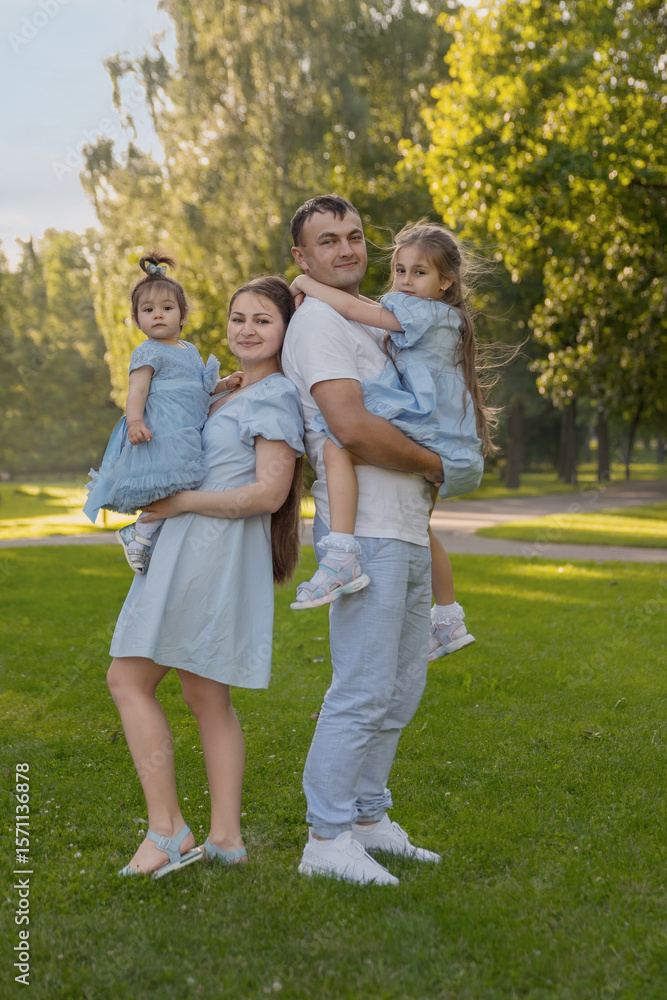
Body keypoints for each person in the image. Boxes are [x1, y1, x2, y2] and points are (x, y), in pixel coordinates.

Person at [106, 276, 304, 878]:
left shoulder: (275, 398)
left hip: (208, 551)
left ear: (285, 332)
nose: (246, 329)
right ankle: (226, 841)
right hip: (191, 545)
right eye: (238, 317)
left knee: (127, 679)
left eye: (263, 320)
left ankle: (168, 830)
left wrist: (180, 503)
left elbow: (270, 492)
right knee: (204, 694)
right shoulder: (230, 390)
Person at [281, 195, 444, 886]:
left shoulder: (377, 321)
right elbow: (348, 425)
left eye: (353, 237)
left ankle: (369, 818)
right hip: (367, 534)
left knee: (401, 688)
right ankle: (325, 838)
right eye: (328, 241)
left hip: (404, 528)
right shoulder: (318, 323)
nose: (347, 249)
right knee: (363, 688)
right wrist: (440, 463)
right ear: (302, 257)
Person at [289, 221, 492, 663]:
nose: (404, 282)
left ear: (446, 281)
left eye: (418, 273)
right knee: (422, 528)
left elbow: (360, 312)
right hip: (444, 432)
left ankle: (341, 555)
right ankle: (448, 618)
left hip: (424, 419)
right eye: (399, 271)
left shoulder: (422, 312)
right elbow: (365, 309)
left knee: (339, 437)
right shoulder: (439, 313)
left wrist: (305, 283)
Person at [83, 252, 241, 574]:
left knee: (185, 487)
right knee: (173, 485)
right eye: (148, 310)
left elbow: (200, 388)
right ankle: (139, 534)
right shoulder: (148, 351)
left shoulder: (190, 351)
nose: (158, 315)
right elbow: (137, 390)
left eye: (167, 308)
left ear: (183, 315)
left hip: (188, 428)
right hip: (161, 433)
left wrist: (224, 384)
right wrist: (136, 422)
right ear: (136, 317)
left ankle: (151, 536)